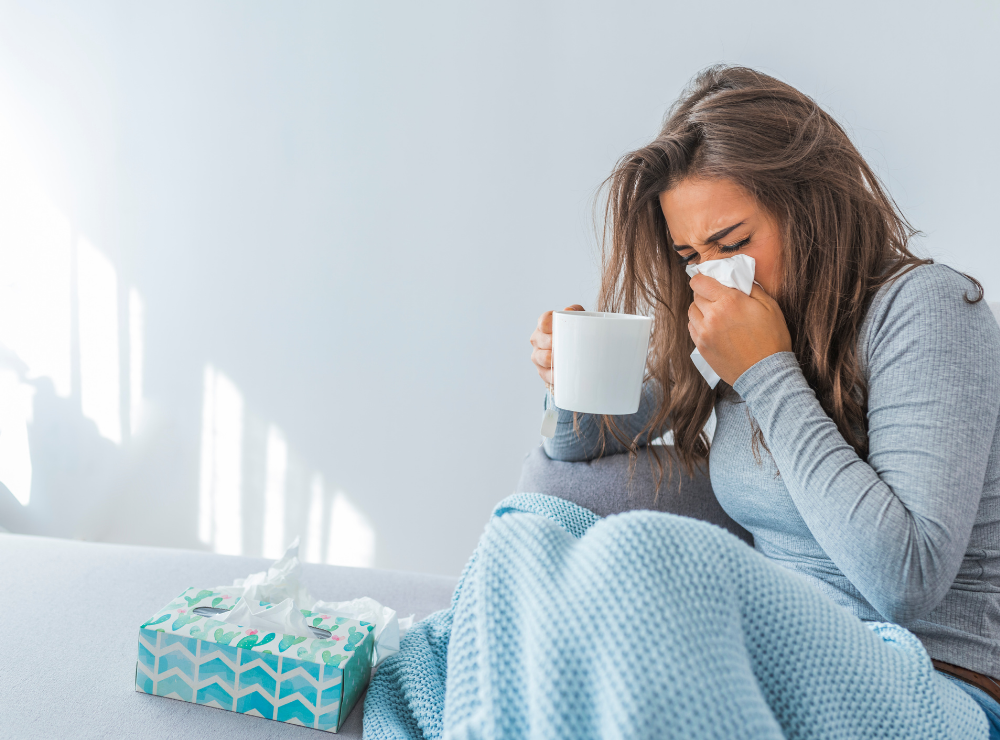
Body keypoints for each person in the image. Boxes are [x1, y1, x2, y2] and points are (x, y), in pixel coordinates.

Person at [529, 65, 1000, 734]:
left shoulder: (929, 311)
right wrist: (567, 382)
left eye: (734, 243)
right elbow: (582, 445)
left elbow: (905, 581)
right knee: (532, 521)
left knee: (632, 558)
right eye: (691, 254)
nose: (713, 273)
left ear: (811, 206)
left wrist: (766, 372)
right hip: (774, 657)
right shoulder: (734, 317)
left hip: (931, 686)